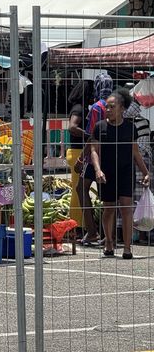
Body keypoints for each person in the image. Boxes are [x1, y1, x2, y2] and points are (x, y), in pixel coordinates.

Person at [89, 89, 150, 259]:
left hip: (126, 171)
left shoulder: (130, 128)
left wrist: (145, 172)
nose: (107, 110)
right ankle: (108, 241)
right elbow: (94, 150)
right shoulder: (100, 127)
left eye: (111, 107)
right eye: (106, 107)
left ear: (122, 108)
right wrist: (97, 169)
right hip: (106, 172)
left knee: (126, 208)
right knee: (108, 209)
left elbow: (135, 152)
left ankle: (127, 247)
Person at [74, 74, 114, 245]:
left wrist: (81, 158)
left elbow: (92, 137)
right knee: (107, 196)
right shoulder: (116, 105)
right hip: (112, 154)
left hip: (94, 156)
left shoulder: (97, 108)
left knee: (81, 188)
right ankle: (108, 235)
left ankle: (92, 231)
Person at [65, 82, 94, 241]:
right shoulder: (78, 109)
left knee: (79, 190)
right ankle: (76, 226)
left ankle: (78, 225)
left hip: (77, 151)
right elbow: (72, 127)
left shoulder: (81, 108)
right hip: (77, 152)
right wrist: (89, 134)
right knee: (78, 191)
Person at [123, 99, 152, 244]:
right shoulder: (143, 122)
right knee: (137, 198)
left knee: (135, 198)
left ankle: (138, 234)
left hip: (138, 162)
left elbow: (139, 148)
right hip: (141, 162)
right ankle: (138, 234)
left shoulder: (133, 124)